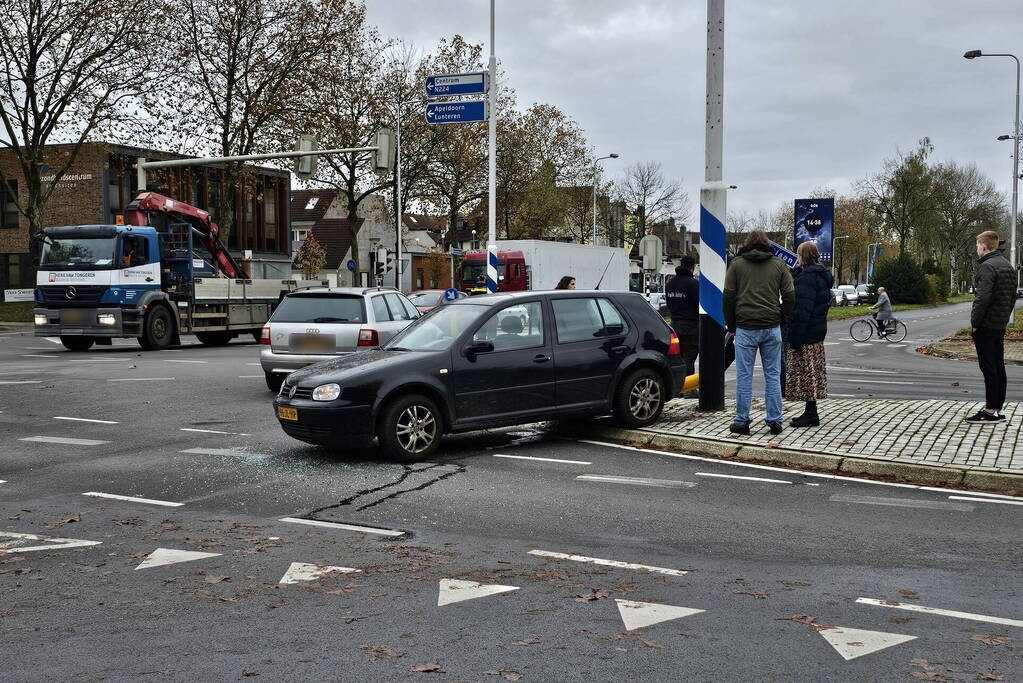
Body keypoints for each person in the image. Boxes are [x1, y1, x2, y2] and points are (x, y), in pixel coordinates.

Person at [723, 231, 795, 435]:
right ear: (766, 244)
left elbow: (728, 297)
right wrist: (783, 318)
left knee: (744, 375)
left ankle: (742, 421)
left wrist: (731, 325)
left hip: (745, 328)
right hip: (772, 327)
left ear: (747, 244)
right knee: (773, 374)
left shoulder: (736, 264)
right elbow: (790, 295)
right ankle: (774, 421)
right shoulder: (779, 265)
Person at [965, 230, 1016, 423]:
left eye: (978, 246)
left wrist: (975, 323)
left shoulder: (988, 267)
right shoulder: (1008, 266)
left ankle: (989, 411)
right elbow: (1012, 298)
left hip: (985, 325)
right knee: (998, 366)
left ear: (984, 246)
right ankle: (997, 409)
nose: (977, 249)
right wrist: (1003, 319)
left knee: (988, 368)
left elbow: (982, 298)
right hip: (999, 324)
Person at [785, 242, 834, 427]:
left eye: (798, 254)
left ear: (803, 255)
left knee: (805, 374)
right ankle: (809, 411)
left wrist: (795, 338)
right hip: (817, 332)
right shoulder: (821, 276)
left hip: (806, 334)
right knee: (812, 374)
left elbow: (802, 311)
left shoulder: (807, 278)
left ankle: (811, 414)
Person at [666, 255, 699, 398]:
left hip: (675, 325)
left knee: (676, 359)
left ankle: (676, 388)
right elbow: (699, 305)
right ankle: (688, 389)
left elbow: (668, 305)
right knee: (689, 359)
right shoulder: (693, 284)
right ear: (693, 267)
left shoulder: (670, 283)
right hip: (691, 326)